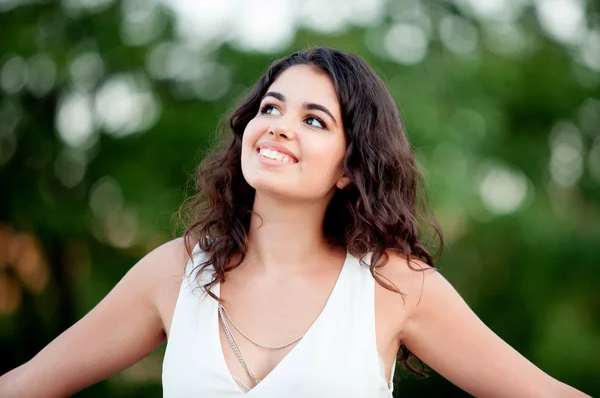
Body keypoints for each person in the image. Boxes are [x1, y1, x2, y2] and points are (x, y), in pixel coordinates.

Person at [0, 47, 589, 397]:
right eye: (271, 107)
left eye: (315, 120)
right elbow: (25, 387)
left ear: (349, 168)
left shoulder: (395, 286)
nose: (278, 125)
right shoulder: (174, 272)